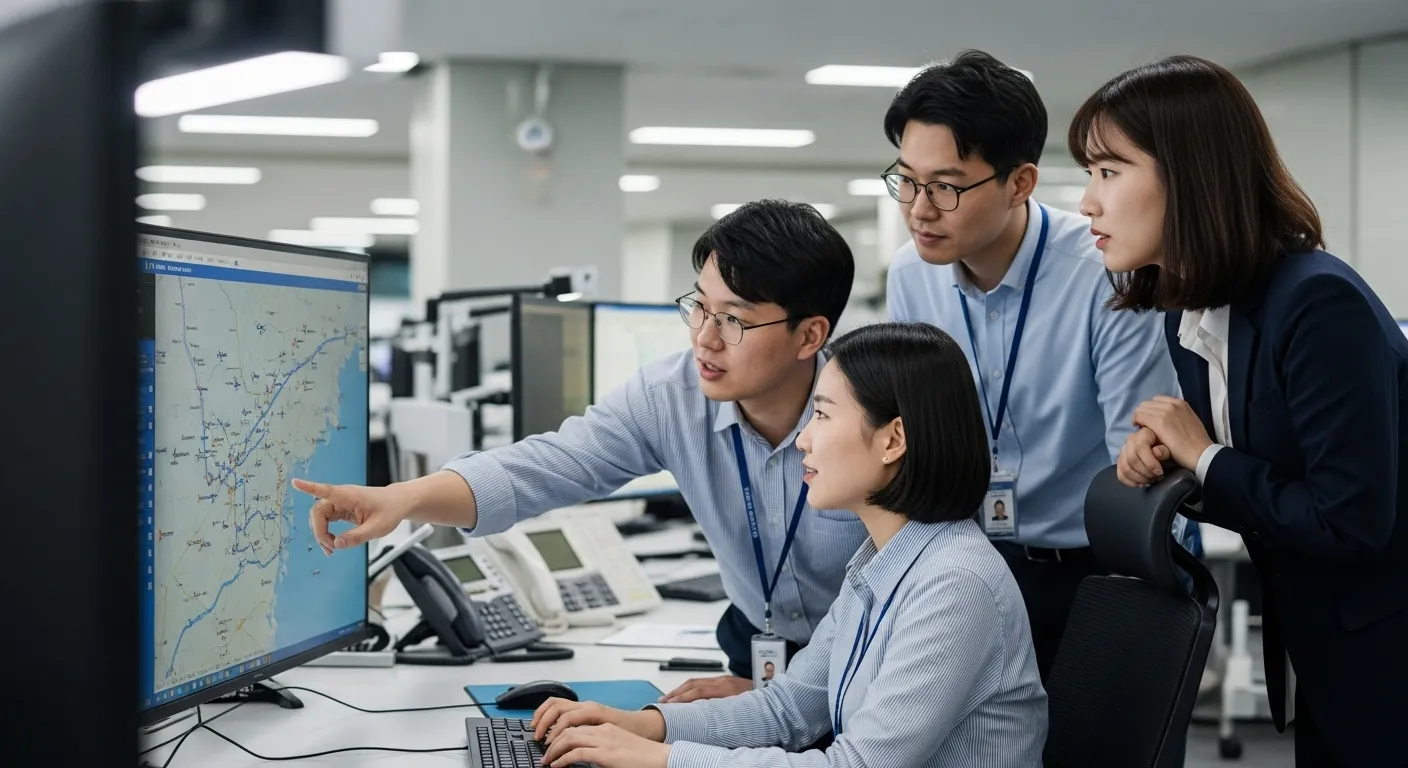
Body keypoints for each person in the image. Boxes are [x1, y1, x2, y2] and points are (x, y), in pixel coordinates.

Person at [294, 200, 867, 704]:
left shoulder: (877, 417)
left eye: (734, 320)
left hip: (869, 678)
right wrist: (404, 497)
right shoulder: (671, 399)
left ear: (810, 336)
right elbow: (544, 467)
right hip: (757, 663)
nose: (705, 338)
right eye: (699, 307)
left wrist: (788, 695)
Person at [1077, 54, 1408, 766]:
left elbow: (1349, 522)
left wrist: (1206, 457)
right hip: (1325, 653)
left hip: (1386, 654)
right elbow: (1268, 485)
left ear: (1191, 174)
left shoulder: (1319, 303)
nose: (1087, 203)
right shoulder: (1192, 315)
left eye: (1108, 172)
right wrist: (1179, 473)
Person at [529, 322, 1046, 768]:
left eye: (821, 415)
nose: (802, 439)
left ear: (893, 440)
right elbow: (789, 710)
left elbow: (857, 764)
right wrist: (646, 726)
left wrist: (661, 759)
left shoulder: (956, 584)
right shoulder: (881, 561)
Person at [880, 49, 1195, 680]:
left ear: (1019, 182)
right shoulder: (911, 278)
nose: (917, 209)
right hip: (963, 570)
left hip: (1092, 571)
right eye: (907, 180)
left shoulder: (1106, 273)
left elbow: (1136, 462)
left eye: (945, 186)